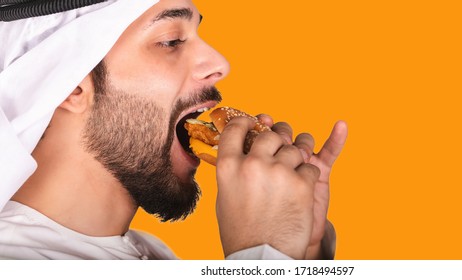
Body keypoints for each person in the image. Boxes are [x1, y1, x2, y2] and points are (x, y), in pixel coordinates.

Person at [0, 0, 347, 259]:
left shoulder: (152, 253)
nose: (220, 64)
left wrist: (302, 254)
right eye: (171, 41)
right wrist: (262, 255)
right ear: (70, 85)